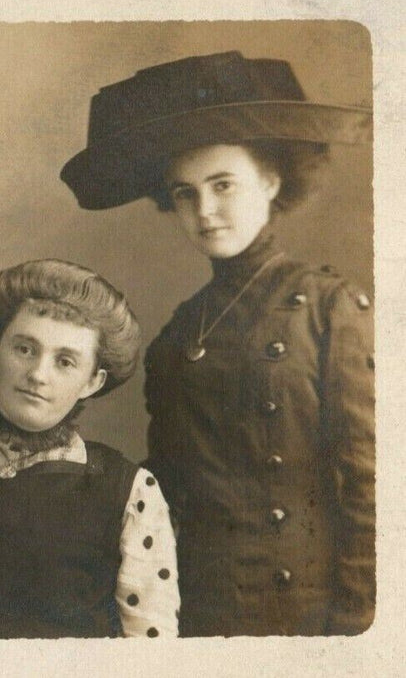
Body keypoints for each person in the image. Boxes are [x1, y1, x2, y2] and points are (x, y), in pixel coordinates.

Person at [60, 51, 375, 636]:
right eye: (185, 193)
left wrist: (357, 629)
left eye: (223, 185)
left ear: (272, 180)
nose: (205, 211)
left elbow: (373, 487)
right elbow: (166, 493)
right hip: (201, 609)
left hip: (312, 615)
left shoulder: (330, 308)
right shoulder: (178, 335)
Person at [0, 258, 179, 639]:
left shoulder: (130, 490)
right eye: (24, 349)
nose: (38, 374)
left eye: (65, 361)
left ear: (92, 381)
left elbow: (152, 645)